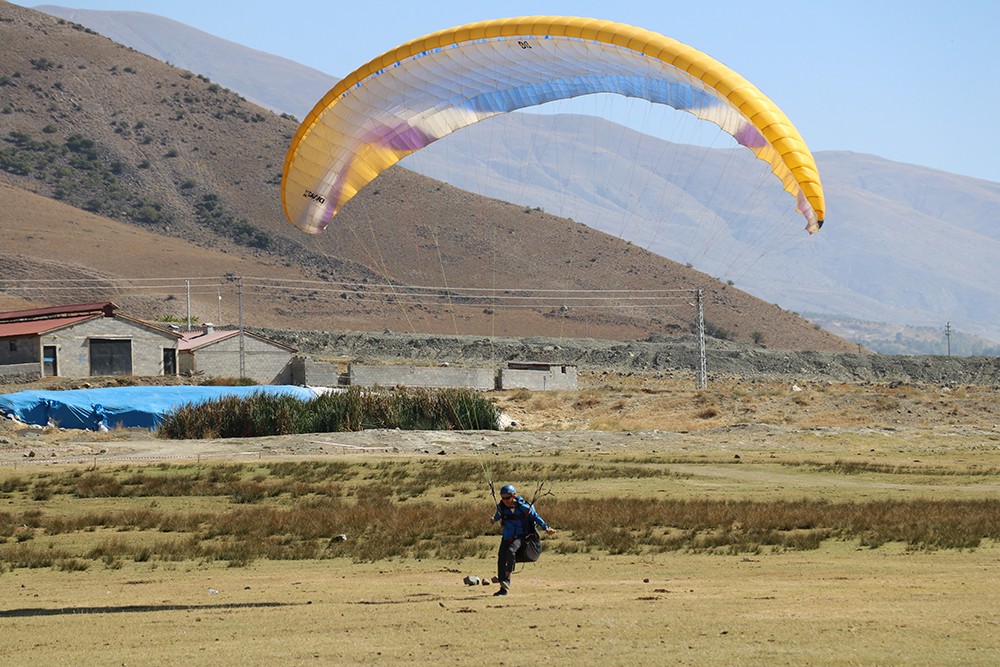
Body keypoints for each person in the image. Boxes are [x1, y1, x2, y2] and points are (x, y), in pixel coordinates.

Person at [490, 483, 556, 596]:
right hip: (507, 536)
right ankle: (503, 588)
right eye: (503, 498)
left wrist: (546, 528)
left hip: (521, 537)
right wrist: (493, 520)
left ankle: (507, 580)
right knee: (501, 558)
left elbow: (535, 516)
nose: (505, 500)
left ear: (514, 496)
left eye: (508, 497)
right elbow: (498, 516)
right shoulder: (501, 507)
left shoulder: (522, 507)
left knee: (511, 551)